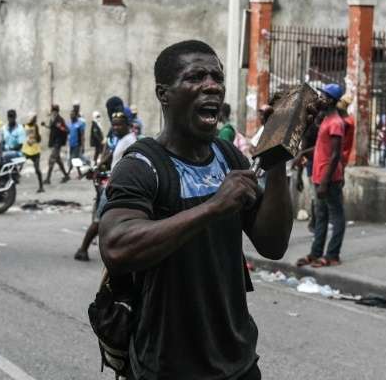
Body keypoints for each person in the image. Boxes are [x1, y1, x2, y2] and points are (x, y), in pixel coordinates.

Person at [99, 40, 292, 379]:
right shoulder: (142, 166)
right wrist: (213, 207)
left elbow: (273, 244)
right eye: (196, 77)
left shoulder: (228, 157)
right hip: (167, 366)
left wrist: (277, 159)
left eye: (217, 77)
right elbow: (116, 246)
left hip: (239, 362)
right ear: (164, 94)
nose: (212, 85)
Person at [74, 111, 137, 262]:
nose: (115, 127)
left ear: (127, 125)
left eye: (119, 124)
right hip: (114, 183)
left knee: (100, 219)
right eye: (113, 124)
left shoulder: (130, 141)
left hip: (116, 185)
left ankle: (83, 249)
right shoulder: (122, 140)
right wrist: (99, 167)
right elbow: (112, 157)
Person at [297, 83, 347, 268]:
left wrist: (325, 181)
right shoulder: (325, 119)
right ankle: (315, 253)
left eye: (324, 96)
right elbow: (321, 148)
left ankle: (332, 255)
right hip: (319, 176)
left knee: (337, 217)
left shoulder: (336, 123)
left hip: (329, 179)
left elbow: (335, 155)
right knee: (321, 217)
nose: (320, 99)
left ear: (332, 100)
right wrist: (303, 155)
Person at [43, 104, 70, 184]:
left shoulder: (60, 119)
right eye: (52, 111)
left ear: (57, 112)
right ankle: (66, 175)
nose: (53, 112)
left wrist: (60, 127)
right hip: (54, 142)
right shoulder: (53, 119)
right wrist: (45, 126)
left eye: (55, 111)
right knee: (58, 160)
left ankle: (48, 179)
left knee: (52, 159)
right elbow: (52, 127)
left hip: (58, 143)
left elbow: (66, 130)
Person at [21, 114, 45, 193]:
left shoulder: (36, 127)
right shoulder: (24, 126)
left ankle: (41, 186)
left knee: (37, 169)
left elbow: (39, 140)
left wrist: (37, 132)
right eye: (33, 119)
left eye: (35, 119)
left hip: (35, 150)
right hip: (26, 150)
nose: (34, 120)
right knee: (19, 166)